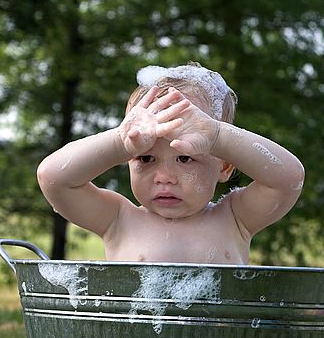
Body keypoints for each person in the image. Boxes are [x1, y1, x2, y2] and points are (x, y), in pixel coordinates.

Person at [37, 62, 304, 264]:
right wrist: (119, 142)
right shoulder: (118, 219)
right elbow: (53, 178)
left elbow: (289, 181)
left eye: (185, 158)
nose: (164, 176)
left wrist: (218, 136)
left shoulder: (235, 219)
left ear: (224, 166)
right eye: (146, 158)